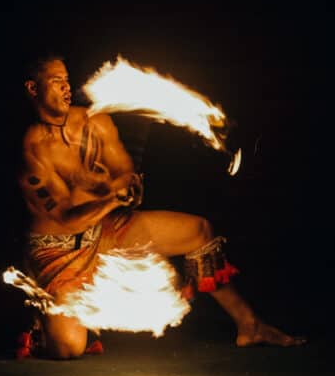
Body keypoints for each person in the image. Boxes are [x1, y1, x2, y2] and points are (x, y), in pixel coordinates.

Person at [17, 53, 305, 359]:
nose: (65, 87)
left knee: (198, 230)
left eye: (67, 80)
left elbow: (124, 169)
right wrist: (112, 197)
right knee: (67, 349)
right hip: (57, 252)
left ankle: (250, 326)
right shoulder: (32, 149)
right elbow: (66, 219)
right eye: (56, 81)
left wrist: (129, 185)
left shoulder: (95, 122)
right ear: (33, 89)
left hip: (104, 232)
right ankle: (37, 320)